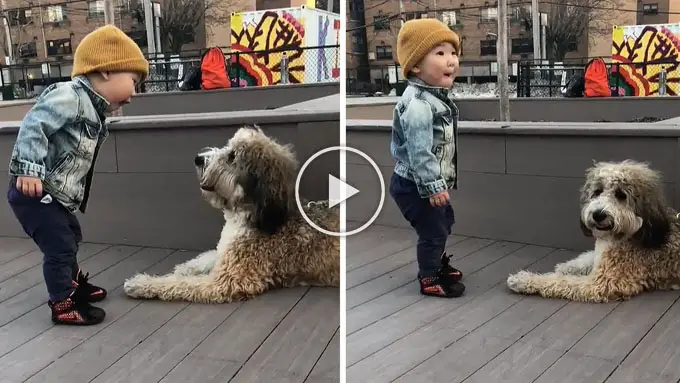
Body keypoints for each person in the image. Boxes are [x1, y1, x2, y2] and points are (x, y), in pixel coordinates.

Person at [7, 24, 149, 325]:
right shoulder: (70, 96)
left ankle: (72, 283)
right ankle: (62, 302)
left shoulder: (95, 112)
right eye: (134, 81)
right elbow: (35, 124)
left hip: (53, 194)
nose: (134, 93)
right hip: (34, 190)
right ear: (107, 70)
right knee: (59, 244)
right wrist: (29, 170)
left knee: (70, 236)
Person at [389, 18, 466, 298]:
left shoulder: (435, 98)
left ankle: (437, 263)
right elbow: (420, 151)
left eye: (453, 53)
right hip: (415, 185)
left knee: (444, 223)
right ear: (416, 66)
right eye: (440, 53)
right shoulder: (419, 106)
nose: (451, 61)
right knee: (433, 231)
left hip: (424, 183)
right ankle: (429, 277)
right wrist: (433, 187)